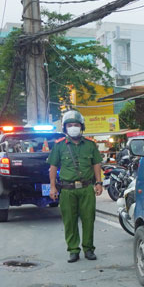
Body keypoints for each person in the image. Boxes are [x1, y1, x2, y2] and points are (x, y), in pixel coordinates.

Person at [47, 111, 104, 263]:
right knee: (69, 221)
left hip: (86, 188)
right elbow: (53, 167)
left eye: (76, 125)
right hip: (67, 190)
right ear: (65, 128)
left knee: (88, 219)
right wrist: (52, 187)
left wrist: (99, 183)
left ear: (81, 127)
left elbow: (96, 164)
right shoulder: (59, 146)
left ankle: (89, 249)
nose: (73, 128)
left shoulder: (90, 145)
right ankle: (73, 250)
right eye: (70, 125)